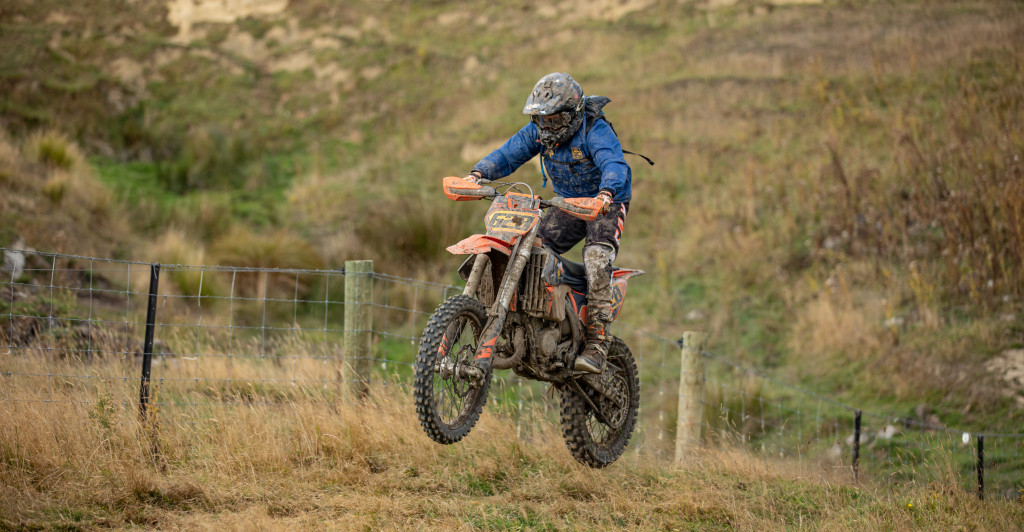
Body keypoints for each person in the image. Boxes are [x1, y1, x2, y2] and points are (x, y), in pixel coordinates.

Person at [464, 72, 632, 374]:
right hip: (567, 203)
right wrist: (478, 174)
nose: (547, 127)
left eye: (555, 120)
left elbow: (614, 163)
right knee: (525, 245)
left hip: (605, 203)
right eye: (542, 120)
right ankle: (531, 317)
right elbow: (508, 154)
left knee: (597, 257)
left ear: (573, 115)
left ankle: (597, 343)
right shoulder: (538, 132)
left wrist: (606, 193)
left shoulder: (594, 130)